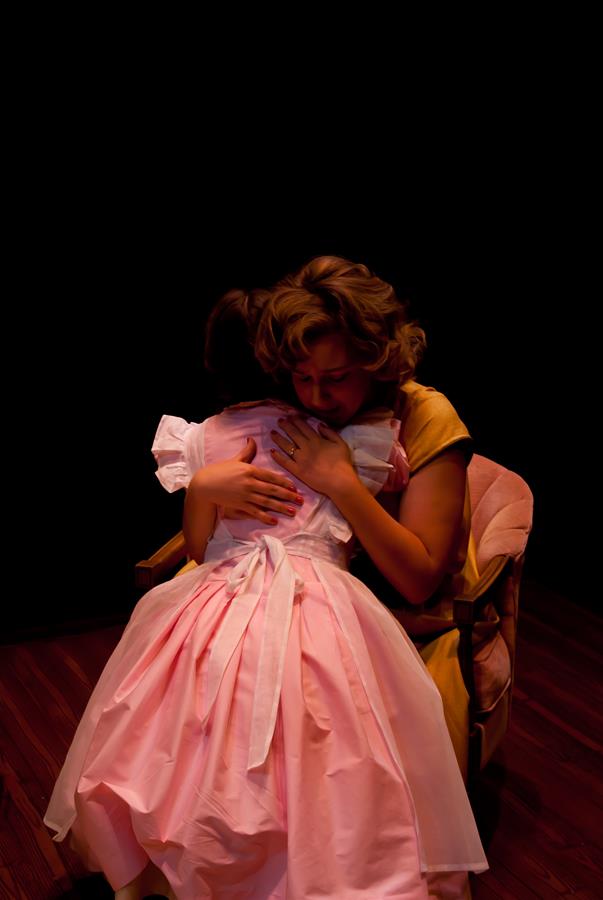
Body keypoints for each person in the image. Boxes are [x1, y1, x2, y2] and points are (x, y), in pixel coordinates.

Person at [42, 283, 488, 899]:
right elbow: (204, 538)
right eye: (300, 378)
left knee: (328, 732)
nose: (314, 397)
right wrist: (202, 492)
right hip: (239, 589)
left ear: (376, 363)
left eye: (334, 378)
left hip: (377, 605)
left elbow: (417, 577)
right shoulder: (274, 420)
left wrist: (343, 483)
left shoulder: (408, 422)